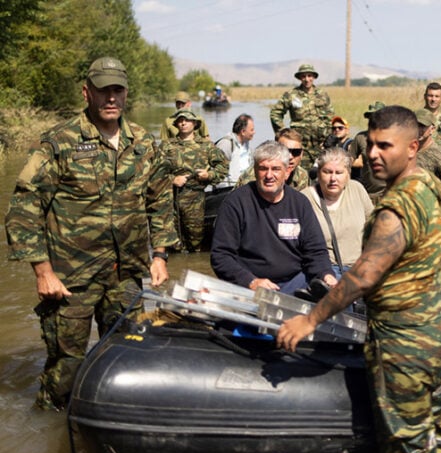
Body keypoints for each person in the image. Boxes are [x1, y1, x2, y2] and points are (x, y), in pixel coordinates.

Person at [277, 106, 441, 453]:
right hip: (439, 332)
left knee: (411, 450)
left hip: (403, 346)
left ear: (413, 147)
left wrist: (309, 319)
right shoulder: (429, 184)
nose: (373, 154)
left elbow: (363, 276)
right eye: (371, 144)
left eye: (386, 146)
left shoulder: (394, 208)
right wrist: (423, 277)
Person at [4, 56, 178, 410]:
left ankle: (108, 431)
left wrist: (159, 255)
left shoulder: (145, 144)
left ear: (126, 94)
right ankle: (52, 437)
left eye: (117, 90)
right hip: (71, 279)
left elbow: (160, 200)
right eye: (103, 91)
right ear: (88, 93)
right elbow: (24, 209)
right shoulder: (59, 143)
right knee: (65, 370)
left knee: (128, 358)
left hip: (125, 274)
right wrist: (42, 271)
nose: (110, 98)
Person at [211, 140, 337, 295]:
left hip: (295, 281)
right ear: (255, 170)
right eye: (263, 169)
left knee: (339, 286)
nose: (269, 175)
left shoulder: (300, 203)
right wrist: (250, 281)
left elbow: (315, 251)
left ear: (287, 172)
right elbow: (221, 256)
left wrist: (326, 274)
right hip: (251, 285)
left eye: (276, 169)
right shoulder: (235, 202)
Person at [157, 109, 228, 252]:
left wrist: (209, 175)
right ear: (176, 124)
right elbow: (154, 170)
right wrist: (172, 179)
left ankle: (195, 269)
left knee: (196, 241)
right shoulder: (166, 145)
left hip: (196, 198)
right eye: (180, 120)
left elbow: (223, 166)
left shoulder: (206, 145)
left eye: (187, 120)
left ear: (195, 123)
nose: (183, 123)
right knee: (172, 242)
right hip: (171, 197)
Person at [301, 147, 373, 277]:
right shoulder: (304, 199)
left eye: (339, 173)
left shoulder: (357, 189)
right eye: (327, 172)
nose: (333, 178)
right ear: (318, 174)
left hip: (360, 269)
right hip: (326, 272)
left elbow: (374, 226)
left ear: (348, 174)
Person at [270, 64, 334, 169]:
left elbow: (330, 116)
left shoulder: (322, 94)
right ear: (300, 78)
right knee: (301, 174)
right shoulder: (291, 95)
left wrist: (329, 136)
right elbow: (275, 113)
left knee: (323, 173)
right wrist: (283, 134)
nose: (307, 79)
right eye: (303, 76)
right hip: (300, 145)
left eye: (309, 76)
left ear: (314, 77)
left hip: (321, 144)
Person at [235, 128, 310, 191]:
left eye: (296, 152)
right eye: (285, 151)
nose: (290, 157)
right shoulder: (254, 176)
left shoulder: (302, 175)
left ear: (301, 154)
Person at [348, 101, 387, 203]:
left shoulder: (394, 138)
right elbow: (347, 162)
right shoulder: (360, 138)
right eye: (371, 117)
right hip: (368, 195)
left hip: (389, 193)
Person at [215, 113, 255, 184]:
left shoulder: (248, 147)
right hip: (226, 189)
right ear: (243, 132)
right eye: (252, 130)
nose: (254, 132)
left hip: (243, 187)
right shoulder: (226, 144)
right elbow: (216, 170)